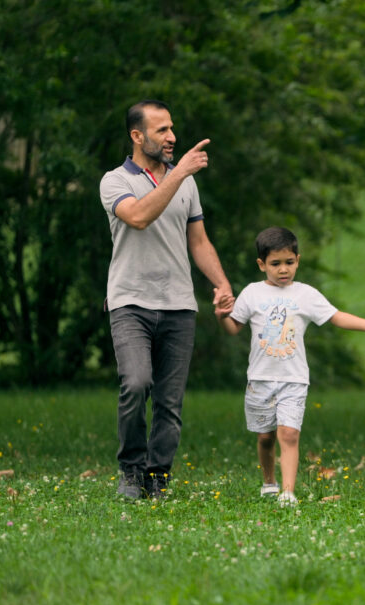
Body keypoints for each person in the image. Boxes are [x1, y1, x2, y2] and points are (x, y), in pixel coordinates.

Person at [99, 99, 235, 501]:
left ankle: (157, 477)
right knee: (136, 383)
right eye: (162, 130)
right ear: (137, 136)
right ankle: (131, 470)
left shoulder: (184, 182)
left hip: (179, 305)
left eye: (172, 128)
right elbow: (139, 217)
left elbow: (199, 241)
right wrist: (180, 175)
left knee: (169, 402)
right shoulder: (115, 181)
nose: (172, 136)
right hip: (130, 303)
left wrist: (222, 284)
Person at [215, 227, 365, 507]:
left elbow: (335, 317)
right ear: (262, 264)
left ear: (298, 260)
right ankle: (269, 483)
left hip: (294, 379)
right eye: (275, 263)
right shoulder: (252, 293)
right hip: (260, 379)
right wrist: (221, 316)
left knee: (288, 434)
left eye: (289, 262)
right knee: (265, 437)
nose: (283, 269)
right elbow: (233, 327)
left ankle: (288, 492)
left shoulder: (306, 294)